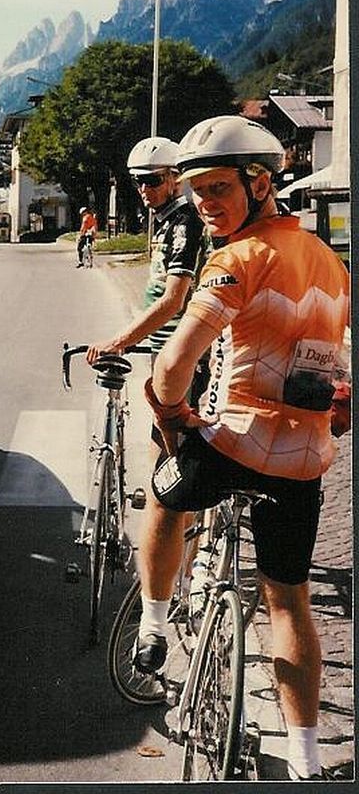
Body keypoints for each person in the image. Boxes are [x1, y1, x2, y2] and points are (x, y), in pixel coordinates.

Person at [135, 115, 350, 782]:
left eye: (219, 188)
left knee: (165, 492)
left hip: (233, 443)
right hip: (304, 459)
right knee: (288, 601)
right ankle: (306, 760)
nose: (205, 203)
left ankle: (152, 624)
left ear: (260, 183)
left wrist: (173, 413)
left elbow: (173, 366)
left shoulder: (236, 259)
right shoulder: (329, 262)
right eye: (196, 191)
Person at [85, 136, 205, 361]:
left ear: (176, 178)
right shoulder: (167, 221)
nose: (143, 189)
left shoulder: (185, 223)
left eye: (152, 180)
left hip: (181, 348)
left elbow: (173, 300)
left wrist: (119, 341)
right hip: (163, 343)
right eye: (138, 181)